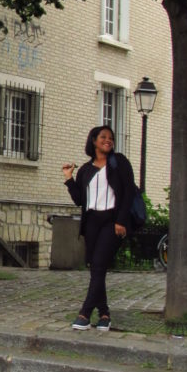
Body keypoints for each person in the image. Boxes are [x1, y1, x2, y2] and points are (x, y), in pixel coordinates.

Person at [61, 125, 136, 332]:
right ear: (93, 141)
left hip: (112, 221)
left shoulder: (119, 162)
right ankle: (104, 314)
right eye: (103, 137)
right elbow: (79, 200)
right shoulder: (85, 169)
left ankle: (84, 313)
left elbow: (128, 192)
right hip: (92, 222)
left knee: (99, 265)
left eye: (111, 137)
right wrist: (69, 178)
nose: (108, 140)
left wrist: (121, 221)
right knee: (96, 268)